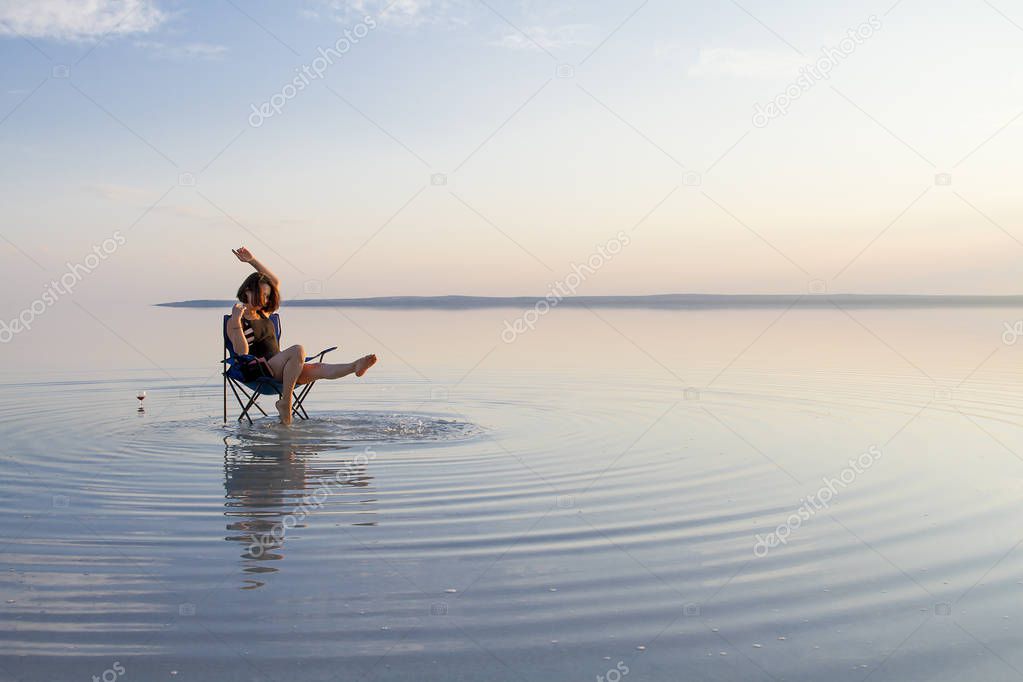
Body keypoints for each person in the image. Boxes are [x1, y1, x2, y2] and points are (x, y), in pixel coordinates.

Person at [227, 246, 377, 425]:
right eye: (262, 295)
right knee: (298, 350)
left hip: (282, 369)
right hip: (259, 371)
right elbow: (241, 353)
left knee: (318, 368)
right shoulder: (237, 320)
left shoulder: (264, 314)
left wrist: (252, 260)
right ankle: (286, 402)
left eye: (267, 296)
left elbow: (274, 282)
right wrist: (236, 322)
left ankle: (355, 366)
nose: (266, 300)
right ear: (247, 292)